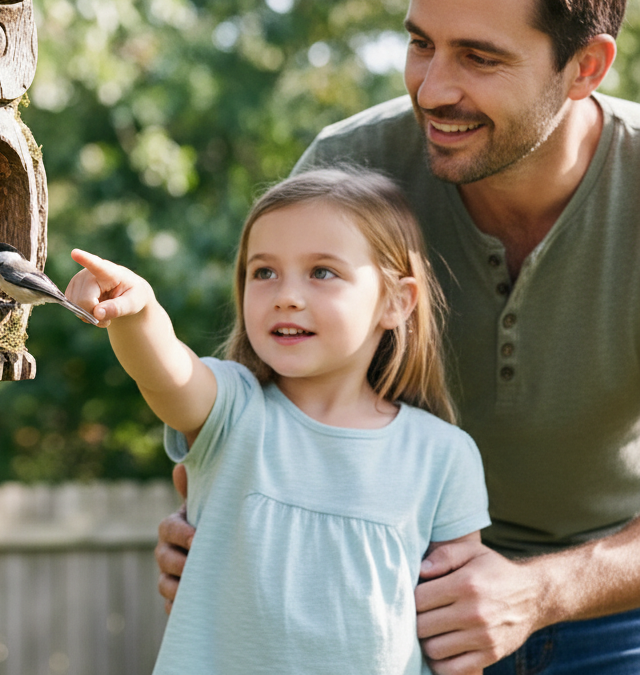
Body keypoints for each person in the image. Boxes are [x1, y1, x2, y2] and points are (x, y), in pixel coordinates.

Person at [154, 0, 640, 674]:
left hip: (613, 606)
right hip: (388, 603)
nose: (432, 89)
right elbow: (247, 398)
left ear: (584, 67)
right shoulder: (349, 171)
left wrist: (540, 591)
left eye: (478, 57)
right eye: (421, 43)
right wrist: (215, 522)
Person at [66, 167, 490, 674]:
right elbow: (167, 373)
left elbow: (458, 634)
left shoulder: (444, 455)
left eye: (322, 272)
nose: (286, 295)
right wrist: (139, 314)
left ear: (397, 302)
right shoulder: (232, 409)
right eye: (264, 272)